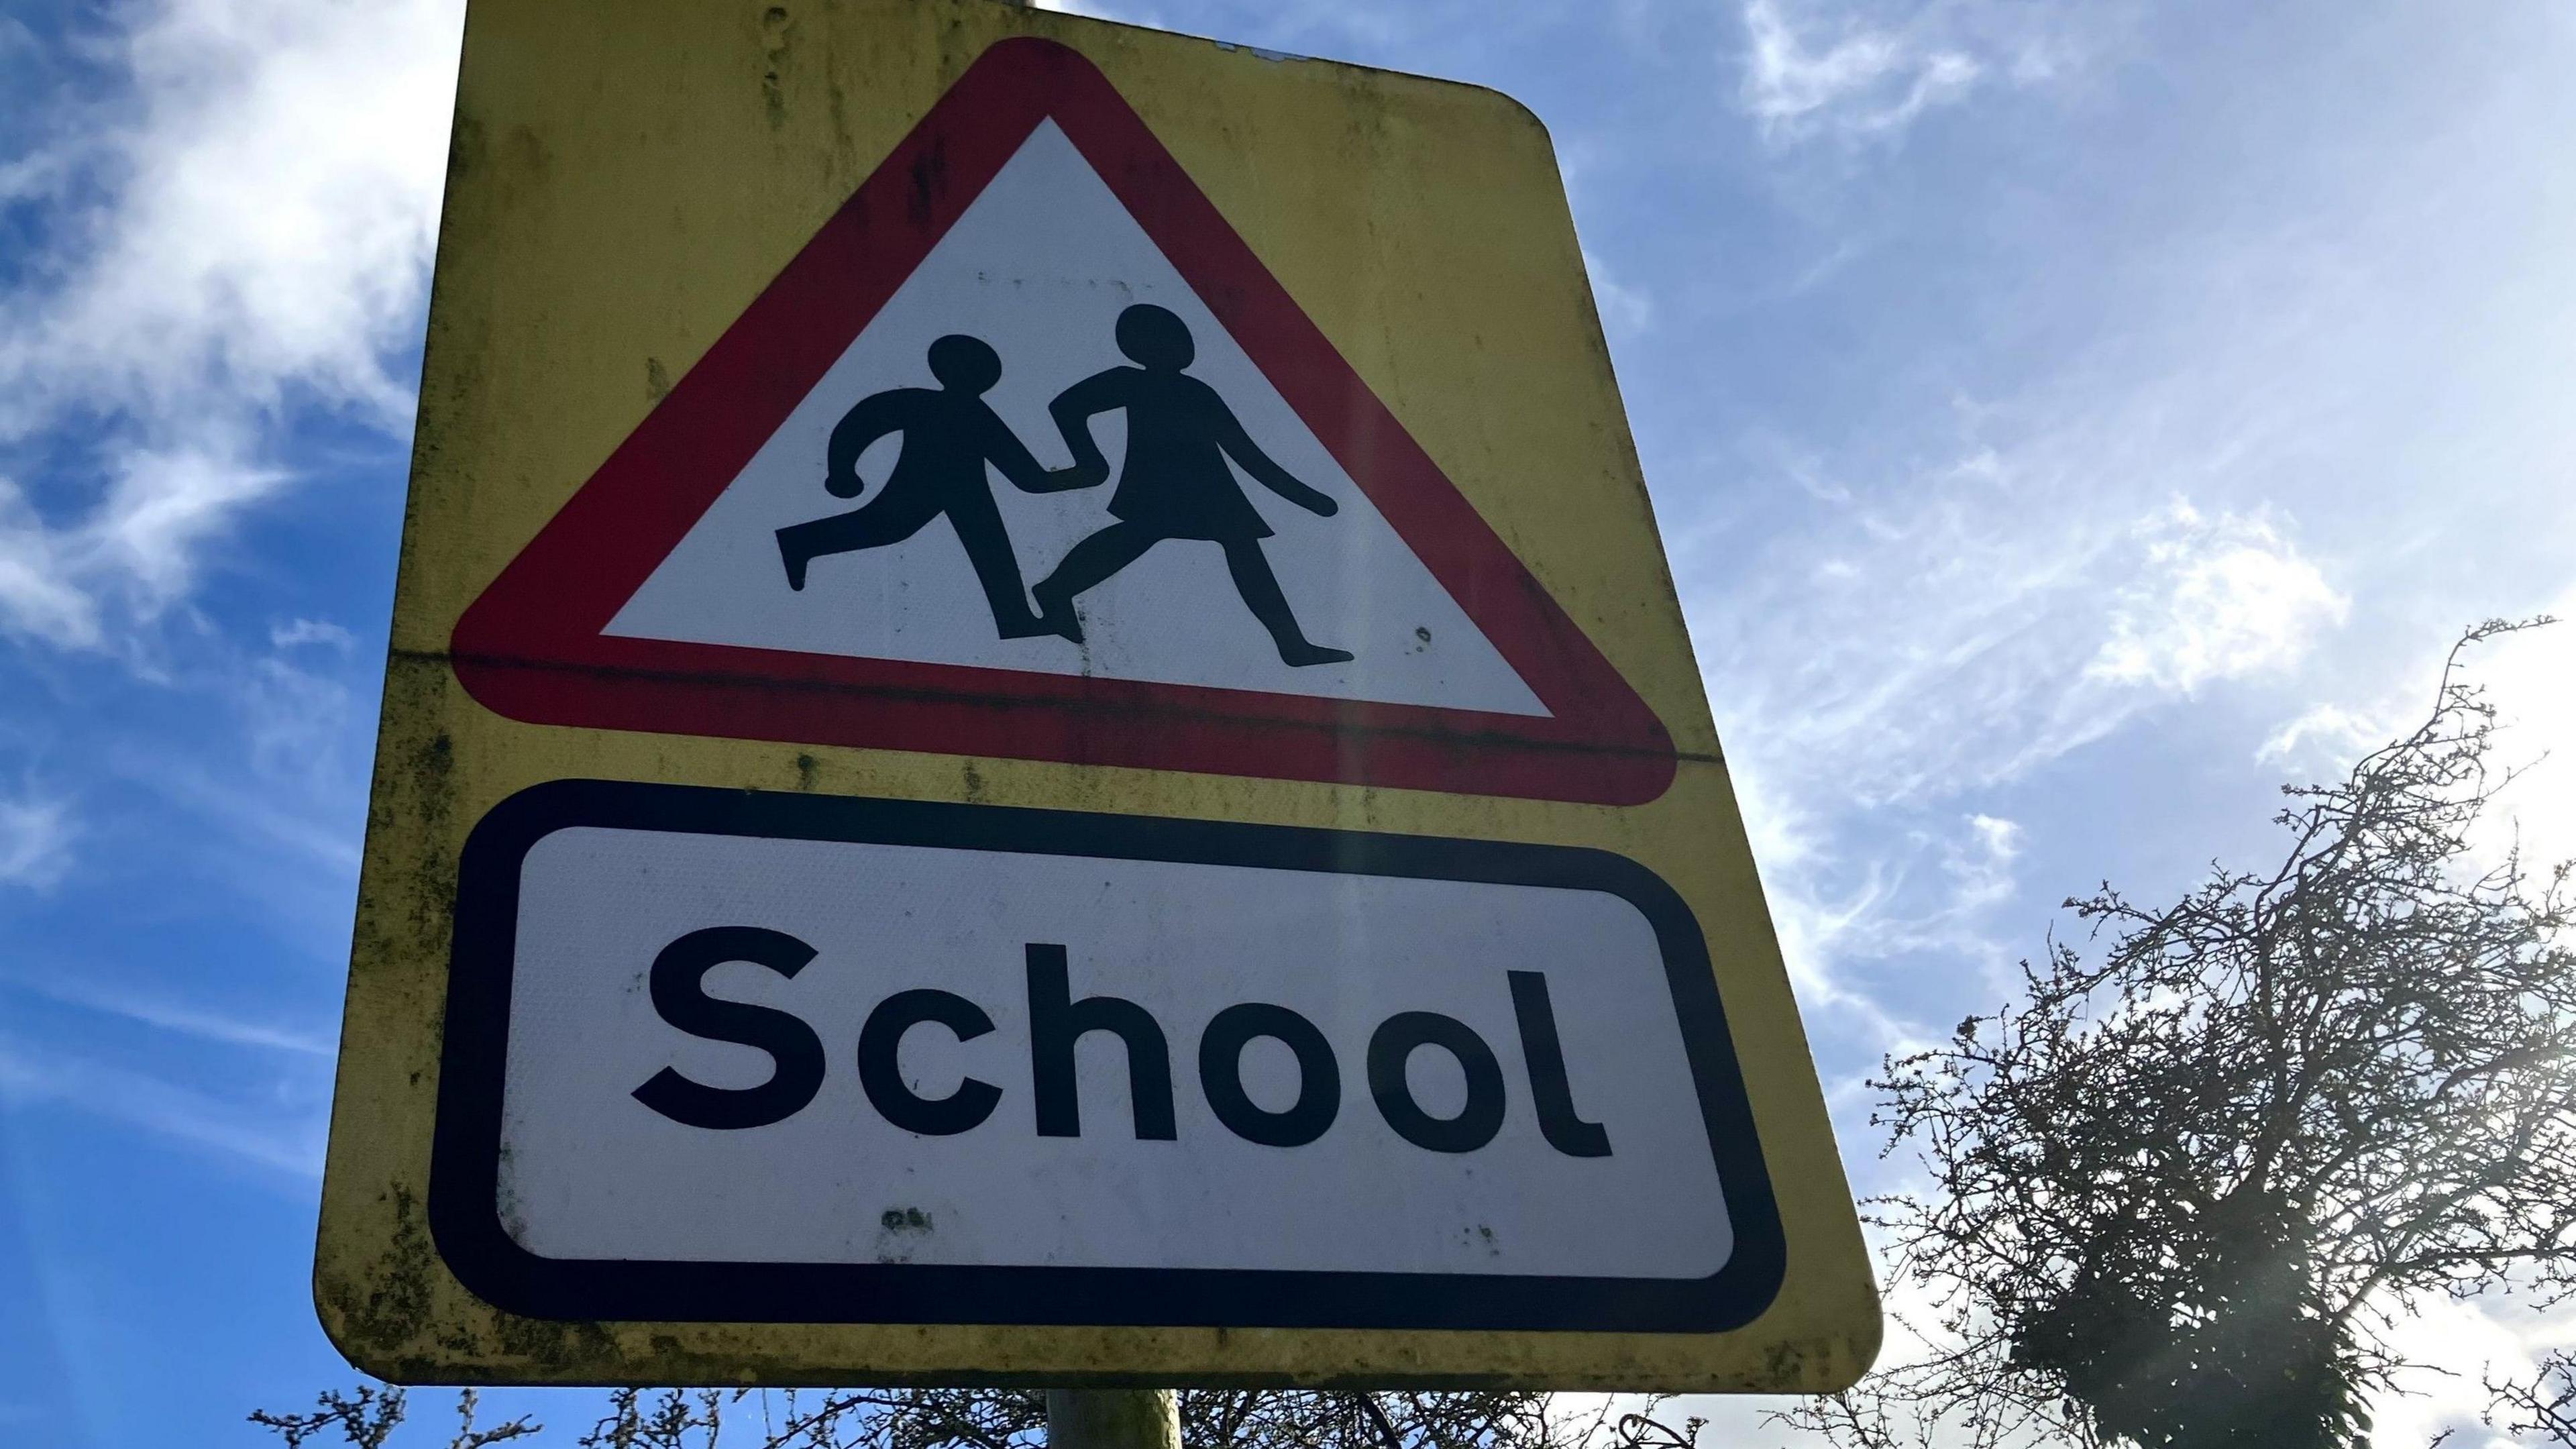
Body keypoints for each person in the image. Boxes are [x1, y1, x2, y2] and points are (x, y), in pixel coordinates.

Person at [1030, 304, 1354, 667]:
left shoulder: (1197, 392)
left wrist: (1306, 498)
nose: (1185, 346)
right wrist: (1089, 461)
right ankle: (1056, 589)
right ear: (1142, 346)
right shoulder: (1131, 382)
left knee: (1221, 544)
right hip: (1165, 484)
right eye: (1171, 339)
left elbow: (1245, 453)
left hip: (1207, 487)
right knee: (1144, 536)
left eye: (1184, 338)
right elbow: (1066, 406)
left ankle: (1293, 646)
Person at [775, 334, 1083, 639]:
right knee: (889, 527)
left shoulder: (962, 411)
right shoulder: (935, 405)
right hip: (927, 486)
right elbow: (864, 422)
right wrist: (841, 472)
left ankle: (1016, 620)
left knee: (990, 549)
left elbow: (1026, 475)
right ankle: (800, 542)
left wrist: (1079, 477)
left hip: (966, 492)